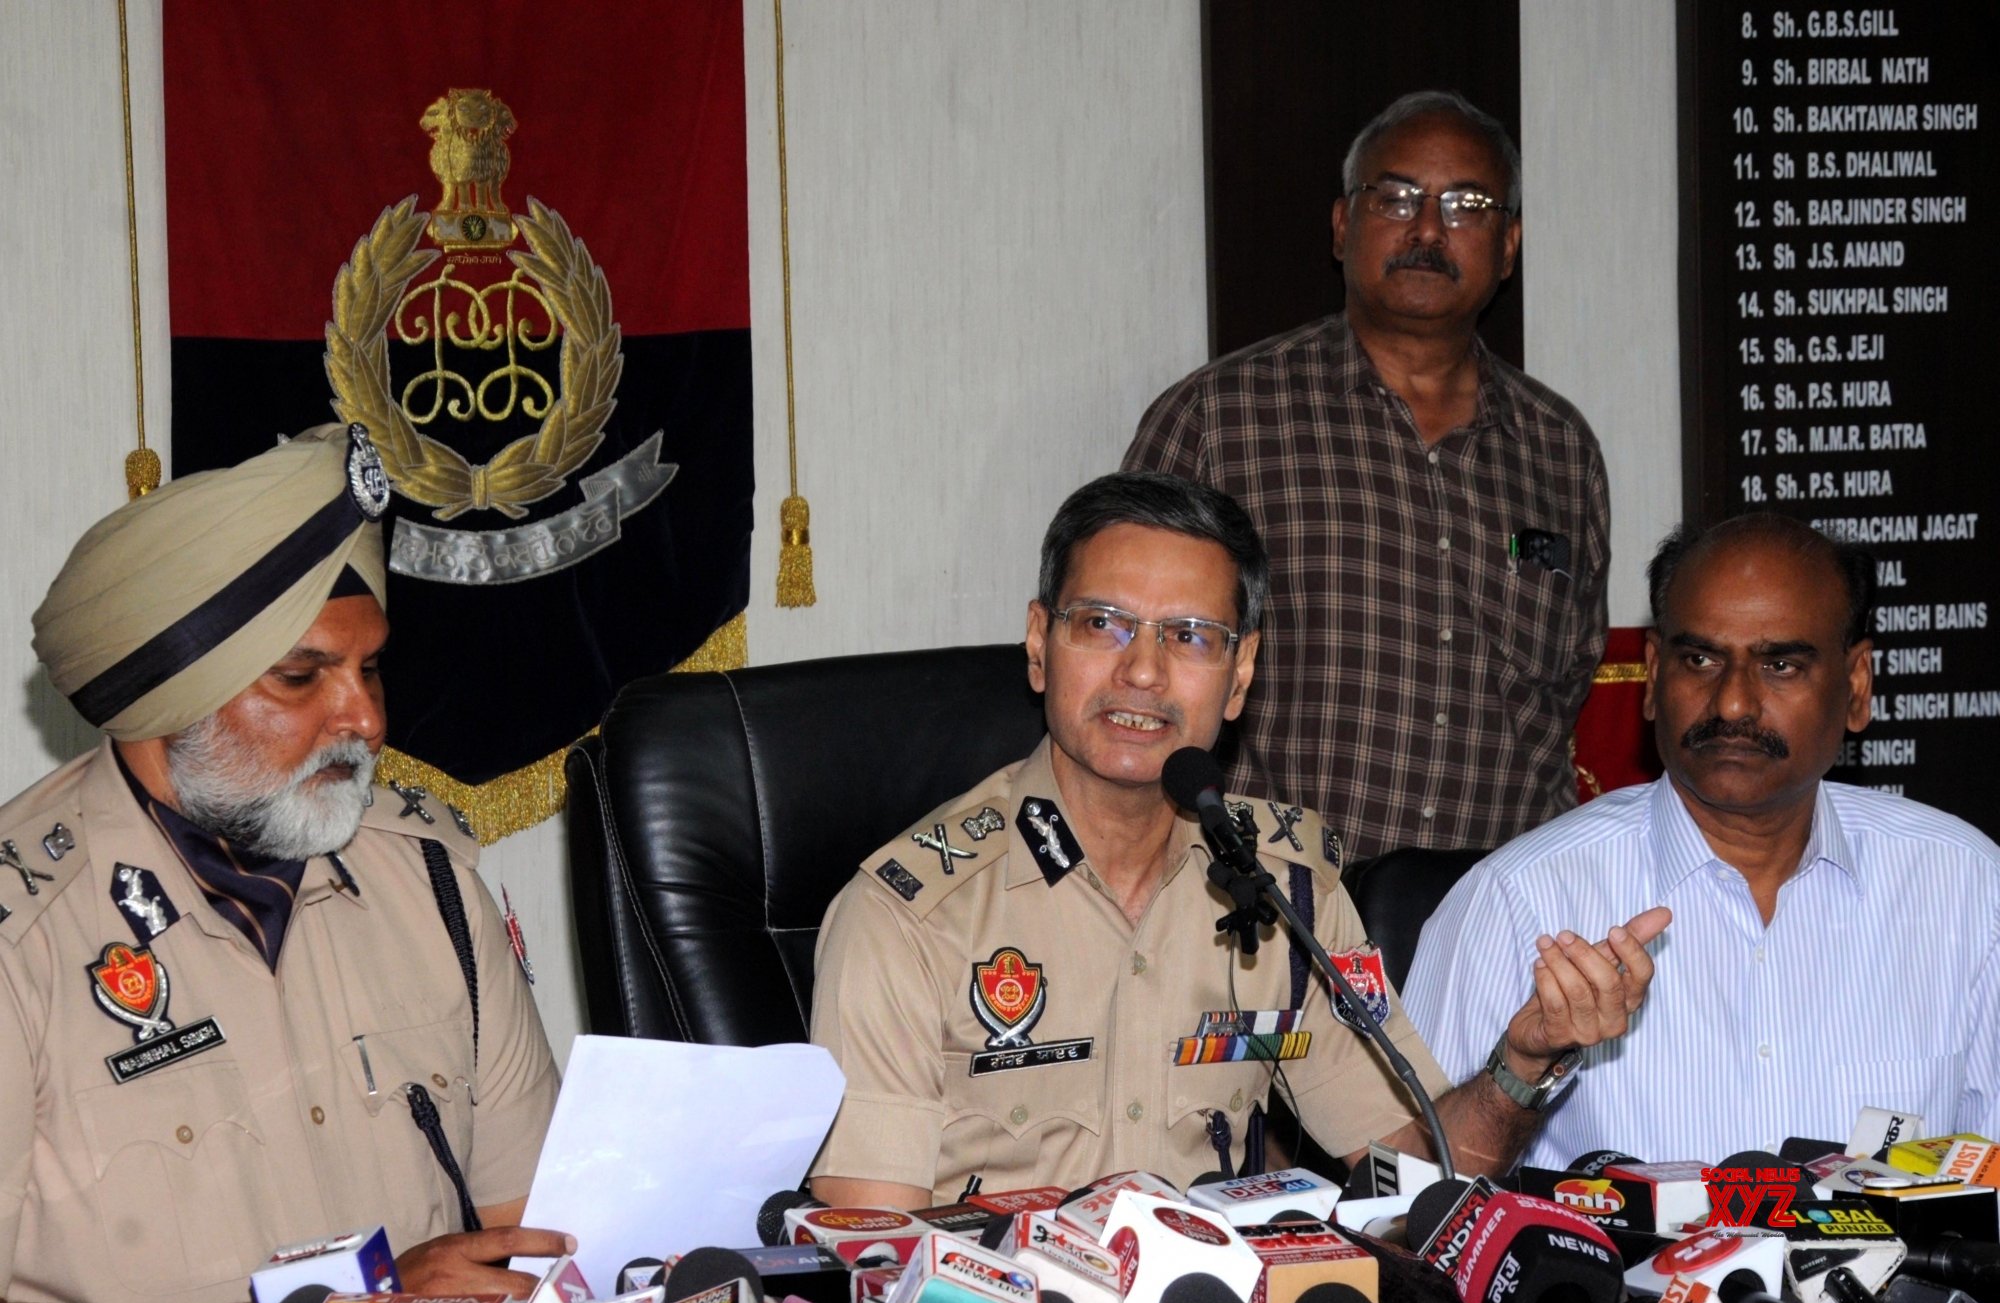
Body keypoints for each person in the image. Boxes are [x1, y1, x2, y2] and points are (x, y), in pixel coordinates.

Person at [806, 473, 1662, 1210]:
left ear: (1241, 674)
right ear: (1039, 645)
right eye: (1102, 623)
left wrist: (1524, 1064)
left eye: (1189, 637)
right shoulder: (907, 918)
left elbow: (1420, 1181)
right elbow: (878, 1262)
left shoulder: (1286, 889)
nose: (1142, 671)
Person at [0, 424, 565, 1303]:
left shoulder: (431, 880)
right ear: (169, 700)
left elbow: (538, 1230)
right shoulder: (26, 940)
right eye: (302, 678)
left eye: (371, 666)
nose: (368, 720)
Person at [1403, 513, 2000, 1169]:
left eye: (1780, 664)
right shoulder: (1519, 900)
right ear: (1654, 675)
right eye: (1702, 659)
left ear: (1856, 686)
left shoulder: (1965, 887)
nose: (1735, 704)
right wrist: (1523, 1069)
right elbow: (1405, 1205)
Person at [1121, 90, 1608, 863]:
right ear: (1344, 226)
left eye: (1466, 205)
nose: (1426, 230)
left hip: (1503, 918)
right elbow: (1137, 676)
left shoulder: (1560, 448)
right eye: (1398, 197)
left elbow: (1569, 686)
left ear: (1509, 245)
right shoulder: (1221, 420)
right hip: (1271, 909)